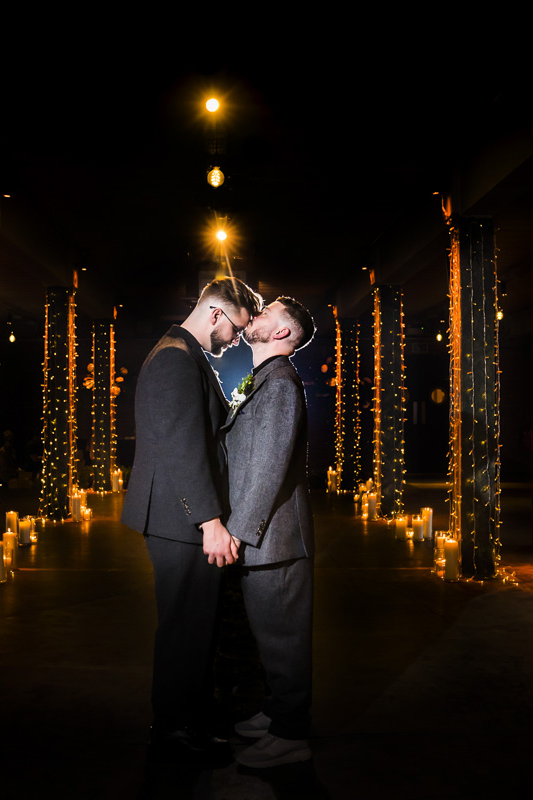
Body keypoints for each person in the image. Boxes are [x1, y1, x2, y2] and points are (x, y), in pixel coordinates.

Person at [121, 276, 263, 759]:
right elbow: (182, 449)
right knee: (184, 626)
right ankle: (173, 731)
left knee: (194, 625)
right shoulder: (175, 360)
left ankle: (193, 722)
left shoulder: (184, 354)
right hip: (177, 520)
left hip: (176, 516)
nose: (237, 339)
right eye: (237, 329)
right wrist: (210, 521)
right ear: (216, 314)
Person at [222, 297, 317, 769]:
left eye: (266, 313)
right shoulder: (261, 379)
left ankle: (291, 735)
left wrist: (238, 532)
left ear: (282, 333)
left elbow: (267, 470)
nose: (254, 317)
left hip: (274, 539)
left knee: (284, 639)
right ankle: (278, 712)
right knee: (269, 635)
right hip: (264, 535)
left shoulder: (280, 384)